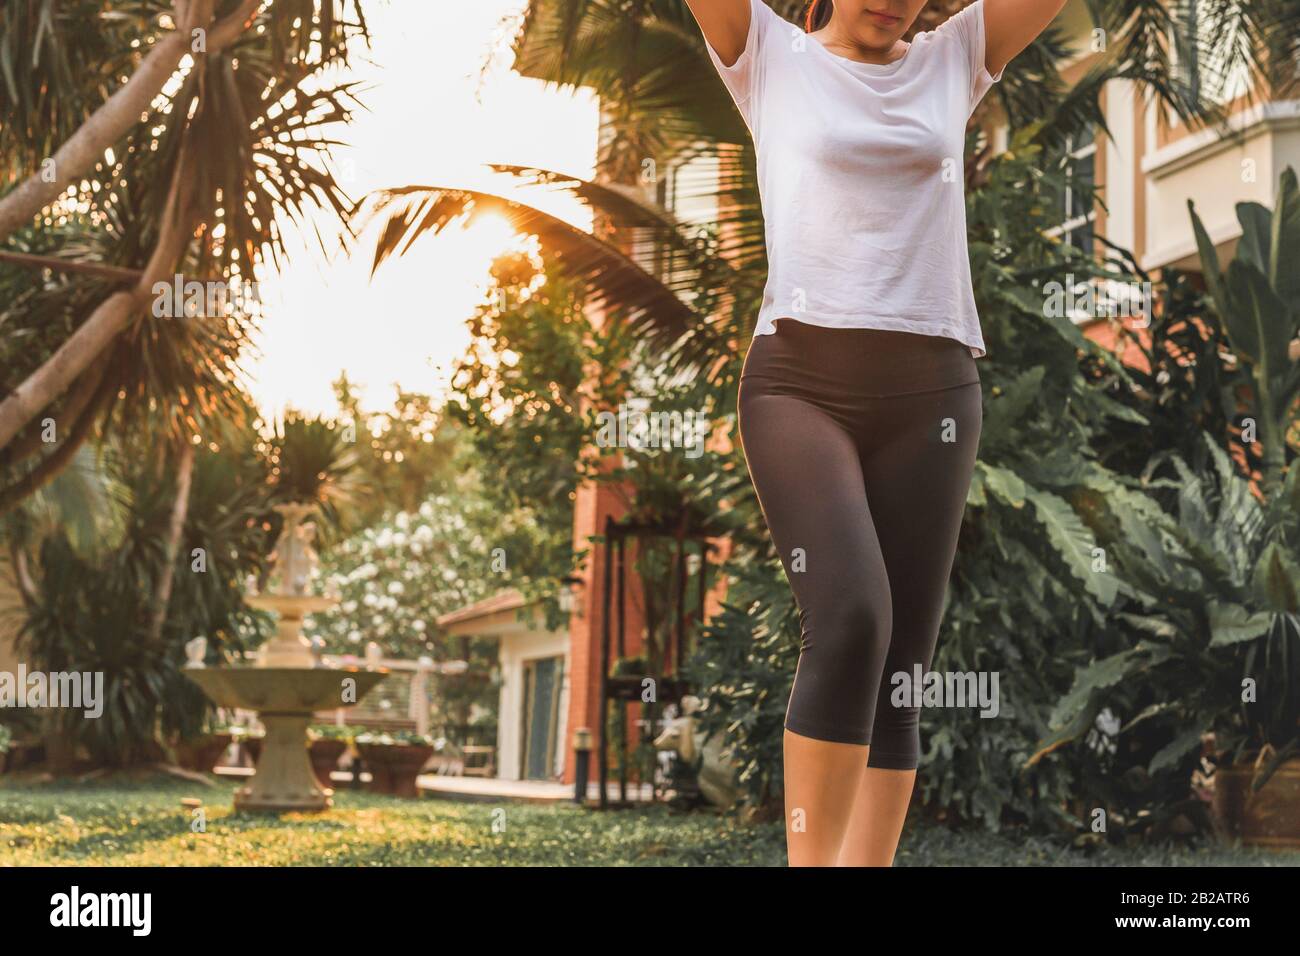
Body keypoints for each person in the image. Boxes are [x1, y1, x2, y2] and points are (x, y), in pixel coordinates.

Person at [684, 0, 1069, 866]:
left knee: (903, 670)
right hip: (799, 382)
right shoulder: (766, 51)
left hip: (932, 386)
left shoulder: (955, 55)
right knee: (855, 617)